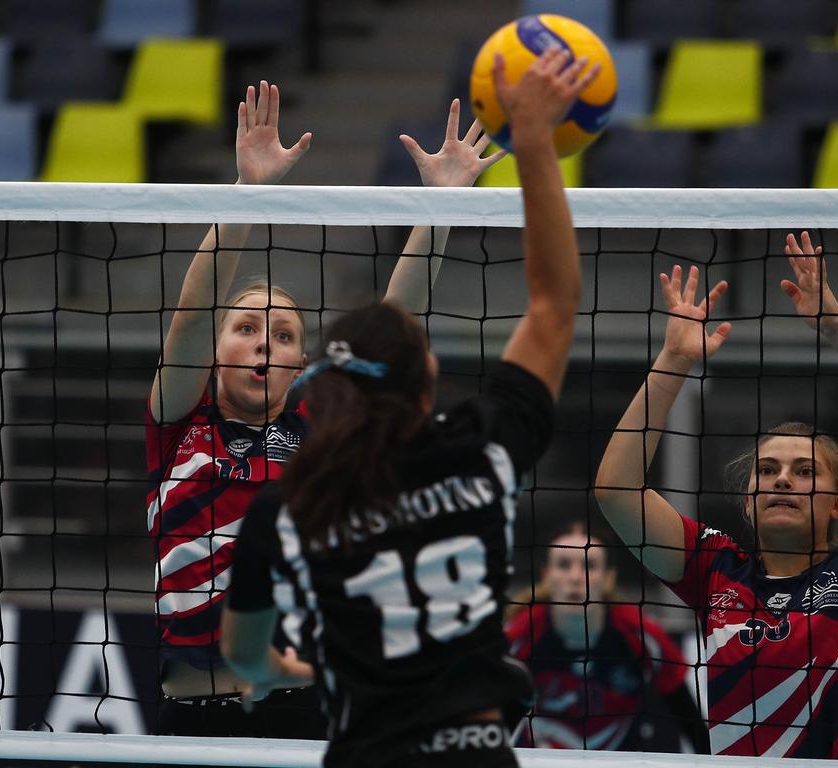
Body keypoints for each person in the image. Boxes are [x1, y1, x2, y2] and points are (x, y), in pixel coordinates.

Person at [221, 47, 599, 768]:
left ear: (321, 390)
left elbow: (246, 655)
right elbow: (553, 305)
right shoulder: (479, 453)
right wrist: (536, 143)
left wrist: (292, 672)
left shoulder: (289, 508)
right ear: (425, 386)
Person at [146, 80, 506, 736]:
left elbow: (394, 330)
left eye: (283, 336)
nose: (264, 345)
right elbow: (192, 318)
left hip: (307, 716)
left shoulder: (322, 437)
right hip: (194, 718)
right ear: (217, 348)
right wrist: (248, 190)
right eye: (248, 329)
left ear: (300, 362)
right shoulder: (179, 425)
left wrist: (444, 207)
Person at [595, 232, 838, 759]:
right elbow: (616, 491)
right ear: (749, 500)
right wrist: (673, 360)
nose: (782, 480)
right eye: (768, 470)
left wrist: (837, 328)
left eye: (804, 472)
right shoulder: (715, 569)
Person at [505, 520, 709, 753]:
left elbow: (688, 717)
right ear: (546, 576)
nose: (575, 577)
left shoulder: (640, 633)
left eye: (589, 566)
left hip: (619, 756)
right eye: (563, 565)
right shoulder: (520, 634)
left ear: (609, 577)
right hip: (543, 755)